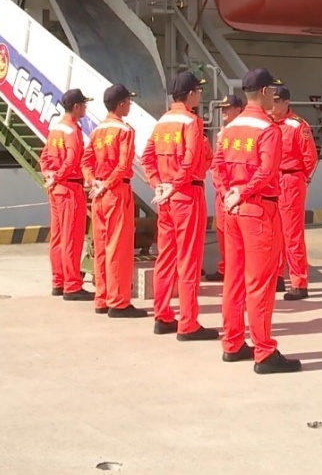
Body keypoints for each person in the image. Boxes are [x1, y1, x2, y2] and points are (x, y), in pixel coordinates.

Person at [213, 67, 301, 374]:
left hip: (233, 211)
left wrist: (228, 194)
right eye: (272, 92)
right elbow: (266, 172)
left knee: (233, 279)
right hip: (258, 211)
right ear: (263, 92)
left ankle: (232, 343)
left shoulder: (231, 128)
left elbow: (217, 167)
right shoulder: (268, 129)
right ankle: (264, 352)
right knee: (260, 283)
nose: (275, 97)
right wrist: (244, 192)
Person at [141, 71, 217, 341]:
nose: (201, 95)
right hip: (187, 195)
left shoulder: (163, 122)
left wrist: (158, 184)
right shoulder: (192, 122)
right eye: (199, 91)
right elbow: (191, 159)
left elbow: (147, 157)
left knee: (166, 257)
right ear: (191, 94)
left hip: (167, 198)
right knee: (188, 260)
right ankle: (188, 323)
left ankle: (161, 315)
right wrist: (175, 184)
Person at [81, 84, 148, 318]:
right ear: (121, 104)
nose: (130, 105)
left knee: (100, 247)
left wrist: (93, 183)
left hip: (99, 194)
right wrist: (106, 185)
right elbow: (123, 166)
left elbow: (86, 162)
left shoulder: (98, 131)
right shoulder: (125, 131)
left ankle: (102, 297)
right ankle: (118, 301)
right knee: (118, 248)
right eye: (128, 101)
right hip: (116, 192)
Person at [41, 89, 95, 301]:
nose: (85, 108)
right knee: (72, 237)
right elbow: (73, 159)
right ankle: (72, 285)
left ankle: (58, 280)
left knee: (57, 237)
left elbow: (44, 157)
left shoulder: (56, 129)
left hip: (56, 190)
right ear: (76, 107)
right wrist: (60, 176)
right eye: (83, 105)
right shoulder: (72, 131)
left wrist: (50, 175)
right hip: (70, 188)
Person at [269, 84, 319, 301]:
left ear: (286, 102)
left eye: (277, 101)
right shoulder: (269, 124)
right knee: (274, 233)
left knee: (292, 234)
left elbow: (310, 158)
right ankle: (277, 276)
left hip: (290, 179)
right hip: (272, 180)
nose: (272, 105)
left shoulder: (297, 126)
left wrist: (300, 178)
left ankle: (299, 281)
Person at [205, 94, 244, 283]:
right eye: (223, 109)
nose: (225, 113)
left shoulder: (246, 132)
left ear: (238, 110)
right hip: (224, 190)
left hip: (239, 191)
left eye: (228, 109)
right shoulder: (223, 133)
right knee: (222, 232)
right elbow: (216, 164)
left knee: (239, 237)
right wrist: (222, 188)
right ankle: (225, 268)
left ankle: (237, 271)